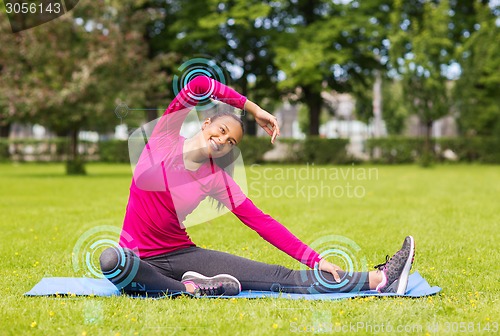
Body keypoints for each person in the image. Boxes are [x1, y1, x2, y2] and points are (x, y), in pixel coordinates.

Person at [100, 75, 415, 297]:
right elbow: (197, 85)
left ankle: (380, 279)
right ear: (206, 123)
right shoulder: (164, 138)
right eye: (221, 130)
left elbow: (261, 221)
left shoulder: (215, 178)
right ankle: (190, 289)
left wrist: (315, 258)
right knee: (112, 261)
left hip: (180, 254)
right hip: (137, 260)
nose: (222, 140)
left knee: (278, 277)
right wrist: (253, 109)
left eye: (231, 141)